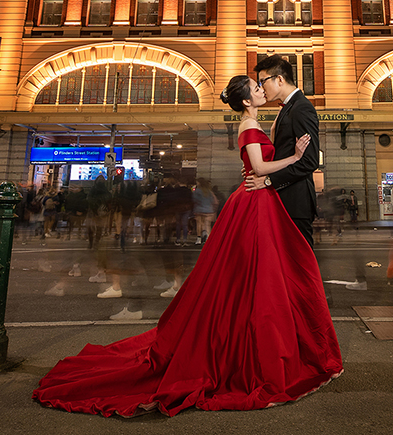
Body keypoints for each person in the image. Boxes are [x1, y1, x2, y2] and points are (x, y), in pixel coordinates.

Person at [33, 73, 343, 416]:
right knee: (256, 274)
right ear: (245, 100)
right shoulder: (249, 125)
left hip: (259, 202)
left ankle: (254, 336)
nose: (262, 90)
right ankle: (253, 345)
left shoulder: (256, 122)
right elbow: (258, 168)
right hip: (255, 202)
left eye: (261, 85)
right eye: (256, 88)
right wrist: (296, 158)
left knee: (252, 275)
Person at [242, 55, 321, 245]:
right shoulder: (288, 108)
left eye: (263, 81)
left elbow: (309, 161)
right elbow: (283, 153)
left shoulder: (301, 108)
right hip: (284, 200)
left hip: (296, 202)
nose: (261, 88)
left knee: (301, 263)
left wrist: (268, 180)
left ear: (279, 79)